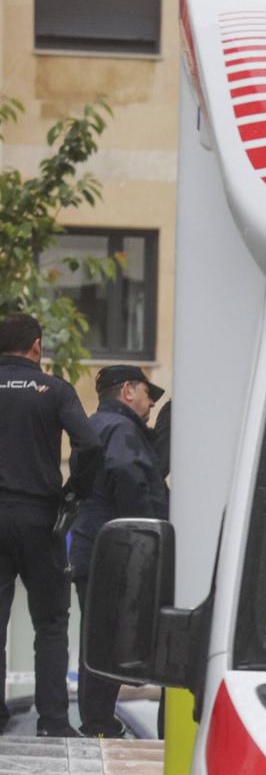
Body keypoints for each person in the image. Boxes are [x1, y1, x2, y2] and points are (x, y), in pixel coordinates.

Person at [0, 313, 98, 736]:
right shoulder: (53, 390)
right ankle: (54, 721)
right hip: (41, 518)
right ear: (37, 347)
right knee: (52, 623)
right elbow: (90, 444)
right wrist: (75, 490)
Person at [69, 365, 167, 738]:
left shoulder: (94, 426)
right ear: (128, 391)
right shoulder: (123, 429)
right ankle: (98, 724)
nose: (150, 403)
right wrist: (146, 527)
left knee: (98, 635)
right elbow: (127, 474)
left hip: (90, 543)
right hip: (114, 548)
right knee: (109, 638)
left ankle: (98, 721)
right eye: (146, 393)